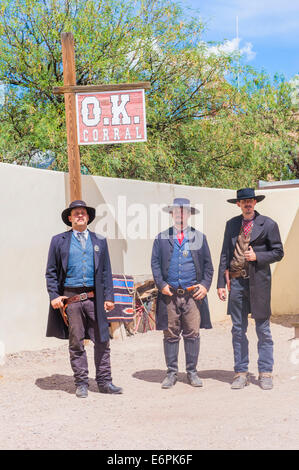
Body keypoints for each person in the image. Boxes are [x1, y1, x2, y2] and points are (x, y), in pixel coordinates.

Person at [45, 200, 123, 398]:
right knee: (76, 342)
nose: (80, 215)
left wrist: (109, 296)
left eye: (83, 213)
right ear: (70, 218)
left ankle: (105, 382)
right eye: (76, 213)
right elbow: (51, 272)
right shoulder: (58, 241)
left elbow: (106, 271)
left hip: (94, 298)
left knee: (102, 340)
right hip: (71, 299)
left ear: (88, 218)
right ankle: (81, 383)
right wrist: (54, 295)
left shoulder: (99, 241)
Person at [217, 188, 284, 390]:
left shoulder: (269, 224)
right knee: (238, 329)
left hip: (259, 283)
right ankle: (241, 372)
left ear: (255, 203)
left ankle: (265, 372)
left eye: (250, 201)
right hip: (236, 283)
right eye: (243, 201)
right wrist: (221, 283)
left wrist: (258, 257)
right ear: (238, 204)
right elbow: (224, 254)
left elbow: (278, 252)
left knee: (263, 329)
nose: (247, 204)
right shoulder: (231, 225)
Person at [151, 198, 214, 389]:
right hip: (169, 294)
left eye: (184, 211)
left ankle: (192, 372)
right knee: (170, 334)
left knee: (192, 333)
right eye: (176, 211)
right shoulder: (161, 238)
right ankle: (171, 373)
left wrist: (204, 286)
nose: (180, 214)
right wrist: (160, 284)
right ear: (172, 214)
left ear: (188, 214)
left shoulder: (199, 238)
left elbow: (208, 266)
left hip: (192, 295)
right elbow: (155, 264)